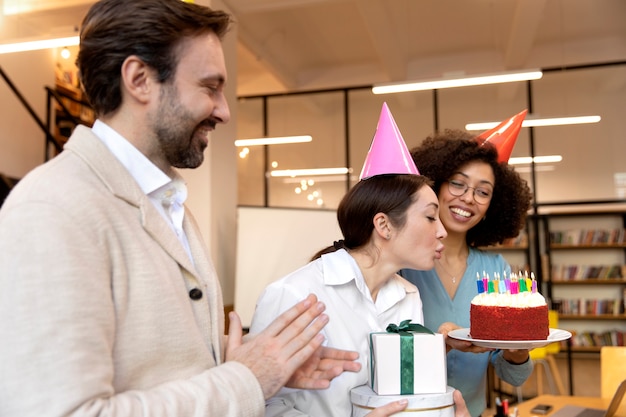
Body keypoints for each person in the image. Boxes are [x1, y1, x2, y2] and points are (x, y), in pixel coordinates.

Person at [0, 1, 361, 416]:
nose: (224, 111)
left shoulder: (171, 207)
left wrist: (261, 371)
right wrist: (246, 379)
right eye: (210, 87)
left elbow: (166, 375)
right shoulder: (52, 209)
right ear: (139, 80)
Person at [249, 103, 470, 417]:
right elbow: (261, 405)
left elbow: (403, 394)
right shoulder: (293, 294)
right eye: (431, 217)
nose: (443, 231)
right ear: (383, 225)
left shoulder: (409, 296)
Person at [400, 127, 534, 417]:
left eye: (483, 191)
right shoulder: (403, 265)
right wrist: (440, 346)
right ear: (433, 186)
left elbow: (514, 377)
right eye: (458, 184)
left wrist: (518, 349)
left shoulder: (495, 269)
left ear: (492, 207)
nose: (468, 198)